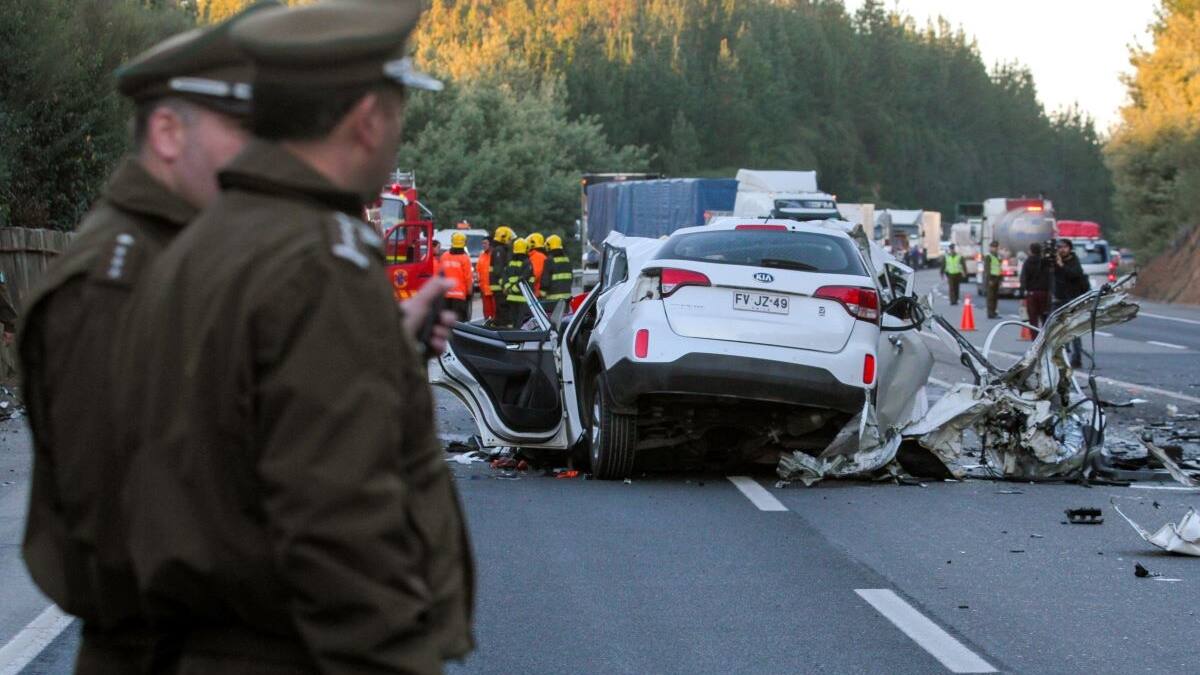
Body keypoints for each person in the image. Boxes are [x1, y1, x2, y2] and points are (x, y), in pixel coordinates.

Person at [112, 1, 472, 672]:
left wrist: (386, 351)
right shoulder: (319, 263)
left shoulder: (197, 246)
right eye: (398, 114)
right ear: (368, 119)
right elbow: (341, 529)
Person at [17, 7, 276, 672]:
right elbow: (118, 539)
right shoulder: (116, 284)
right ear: (167, 132)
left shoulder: (186, 259)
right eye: (246, 131)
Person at [1053, 237, 1089, 368]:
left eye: (1064, 247)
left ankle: (1076, 357)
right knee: (1055, 329)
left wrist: (1062, 265)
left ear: (1069, 248)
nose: (1061, 250)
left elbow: (1075, 275)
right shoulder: (1055, 261)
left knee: (1073, 329)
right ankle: (1058, 356)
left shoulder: (1073, 261)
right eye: (1059, 247)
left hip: (1073, 298)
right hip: (1058, 297)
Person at [500, 237, 535, 328]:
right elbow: (524, 279)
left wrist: (508, 289)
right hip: (523, 299)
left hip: (511, 298)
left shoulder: (510, 263)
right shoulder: (527, 263)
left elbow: (505, 278)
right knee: (521, 323)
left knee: (513, 323)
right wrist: (512, 289)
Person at [441, 231, 474, 321]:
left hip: (446, 295)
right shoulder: (464, 258)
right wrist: (469, 292)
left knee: (446, 321)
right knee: (460, 322)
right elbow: (468, 277)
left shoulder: (444, 256)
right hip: (459, 295)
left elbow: (440, 274)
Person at [1020, 242, 1051, 330]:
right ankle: (1044, 337)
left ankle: (1035, 339)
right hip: (1044, 293)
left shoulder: (1028, 262)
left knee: (1033, 319)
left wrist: (1022, 295)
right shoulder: (1045, 262)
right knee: (1044, 317)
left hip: (1031, 293)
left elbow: (1023, 279)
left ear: (1031, 251)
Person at [542, 234, 573, 311]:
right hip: (566, 299)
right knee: (564, 319)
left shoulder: (549, 261)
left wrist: (542, 292)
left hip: (552, 300)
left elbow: (545, 280)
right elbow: (571, 278)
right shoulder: (567, 260)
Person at [490, 225, 514, 324]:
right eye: (509, 239)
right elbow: (498, 270)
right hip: (500, 287)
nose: (510, 241)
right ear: (504, 238)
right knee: (503, 312)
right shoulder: (499, 250)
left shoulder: (500, 249)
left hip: (499, 286)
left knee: (501, 312)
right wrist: (505, 285)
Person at [984, 240, 1003, 318]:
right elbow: (987, 269)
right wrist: (989, 280)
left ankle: (994, 312)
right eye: (993, 247)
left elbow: (1000, 268)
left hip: (997, 278)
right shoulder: (988, 256)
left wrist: (1000, 278)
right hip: (991, 277)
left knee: (995, 297)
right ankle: (990, 313)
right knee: (991, 297)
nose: (995, 249)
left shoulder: (998, 256)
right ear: (991, 248)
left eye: (996, 247)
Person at [477, 237, 495, 321]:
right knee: (487, 312)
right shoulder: (482, 255)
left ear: (490, 244)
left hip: (494, 289)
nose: (483, 245)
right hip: (484, 289)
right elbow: (478, 271)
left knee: (495, 312)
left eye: (485, 243)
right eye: (482, 243)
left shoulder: (495, 255)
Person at [526, 232, 547, 299]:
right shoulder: (538, 256)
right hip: (536, 293)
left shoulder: (538, 257)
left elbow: (535, 274)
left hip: (536, 294)